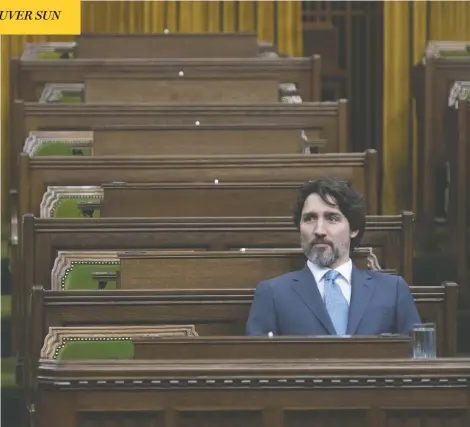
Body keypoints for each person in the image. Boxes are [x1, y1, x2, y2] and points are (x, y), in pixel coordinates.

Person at [246, 177, 421, 336]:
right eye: (309, 219)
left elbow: (418, 360)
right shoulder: (273, 293)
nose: (319, 230)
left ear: (353, 229)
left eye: (332, 218)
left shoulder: (392, 290)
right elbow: (257, 365)